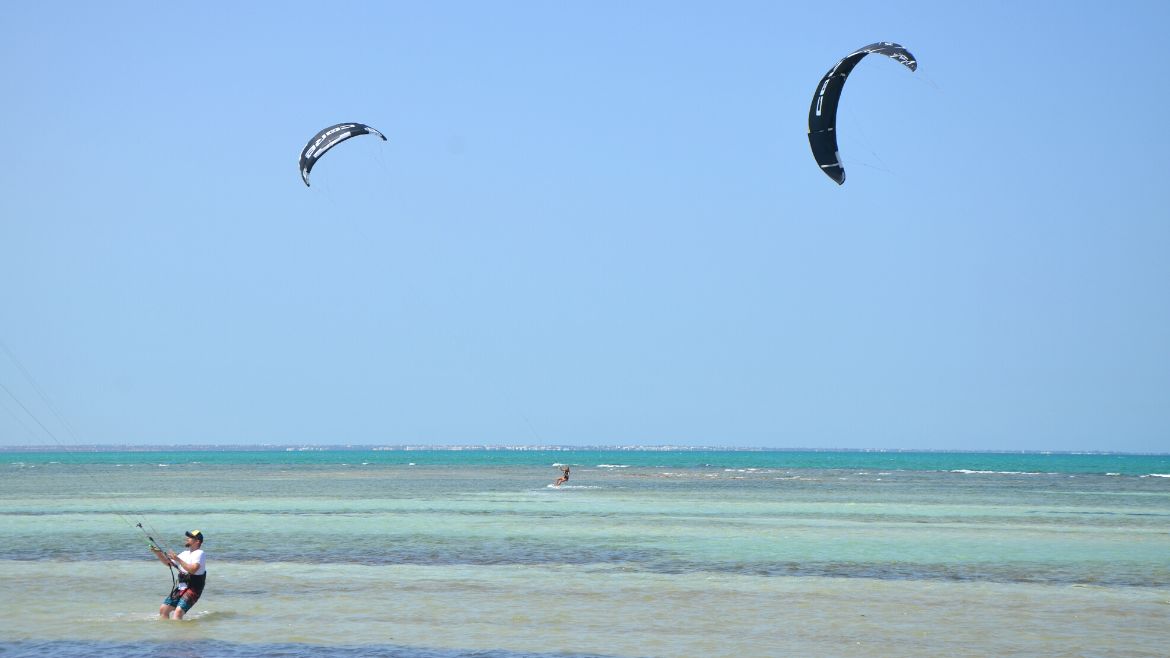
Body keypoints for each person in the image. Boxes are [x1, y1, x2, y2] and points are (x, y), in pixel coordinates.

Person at [151, 529, 207, 620]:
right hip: (182, 587)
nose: (187, 538)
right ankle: (169, 631)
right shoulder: (184, 553)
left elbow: (193, 570)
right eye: (188, 536)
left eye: (190, 537)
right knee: (163, 609)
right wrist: (158, 553)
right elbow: (168, 563)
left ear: (197, 541)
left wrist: (178, 559)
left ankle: (180, 633)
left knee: (178, 612)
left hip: (194, 588)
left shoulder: (200, 553)